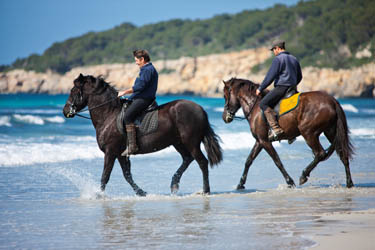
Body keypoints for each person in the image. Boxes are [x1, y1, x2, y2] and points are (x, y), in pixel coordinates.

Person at [256, 40, 302, 141]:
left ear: (277, 48)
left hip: (282, 88)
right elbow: (300, 76)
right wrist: (293, 84)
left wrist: (260, 88)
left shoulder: (278, 59)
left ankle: (275, 128)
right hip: (293, 89)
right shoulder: (294, 59)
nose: (273, 52)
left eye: (273, 50)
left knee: (263, 103)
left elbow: (270, 77)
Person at [118, 49, 158, 155]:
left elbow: (140, 87)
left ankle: (132, 146)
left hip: (144, 99)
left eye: (136, 61)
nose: (136, 63)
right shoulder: (145, 69)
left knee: (127, 117)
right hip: (140, 97)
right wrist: (130, 98)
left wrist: (125, 92)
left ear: (142, 59)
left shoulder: (147, 70)